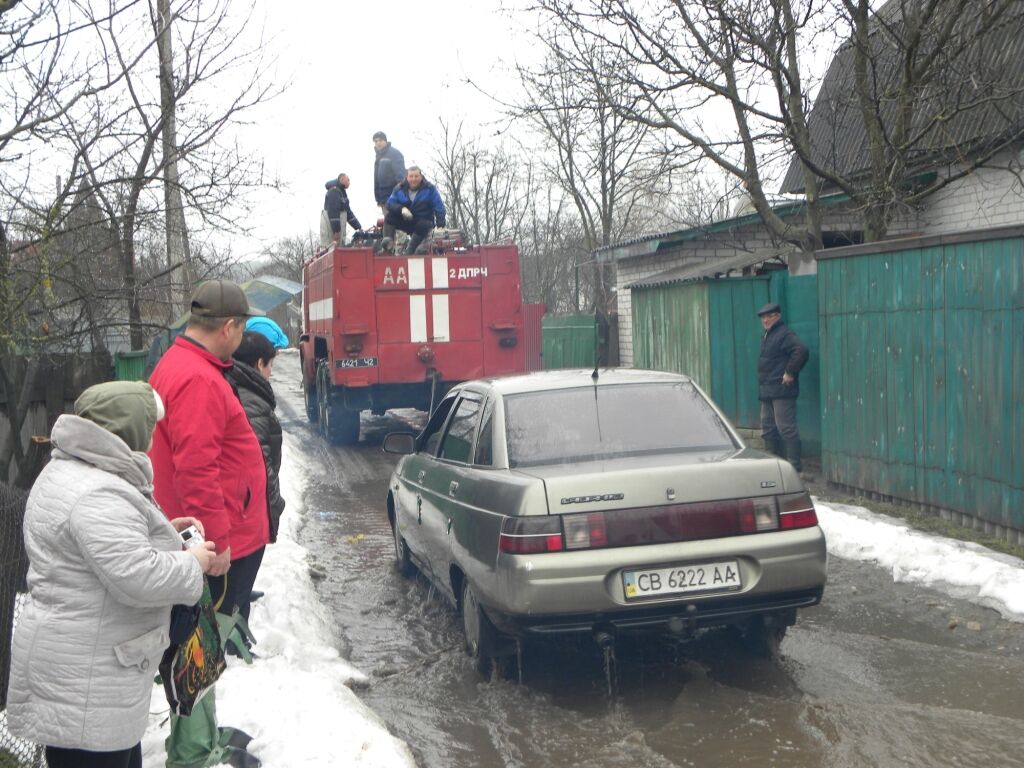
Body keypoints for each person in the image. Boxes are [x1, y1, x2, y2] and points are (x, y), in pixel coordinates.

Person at [6, 381, 215, 768]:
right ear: (128, 430)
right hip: (88, 681)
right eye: (149, 427)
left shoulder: (75, 470)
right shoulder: (97, 491)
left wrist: (163, 533)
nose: (154, 437)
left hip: (86, 669)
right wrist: (192, 562)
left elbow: (101, 554)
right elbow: (136, 576)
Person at [149, 279, 269, 768]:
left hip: (201, 536)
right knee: (197, 648)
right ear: (230, 327)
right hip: (211, 543)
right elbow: (198, 469)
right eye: (242, 329)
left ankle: (199, 740)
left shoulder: (184, 364)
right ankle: (194, 754)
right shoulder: (198, 379)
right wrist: (215, 545)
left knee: (202, 644)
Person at [227, 331, 285, 549]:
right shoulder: (251, 402)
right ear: (260, 363)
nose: (271, 372)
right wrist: (274, 511)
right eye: (270, 365)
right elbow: (261, 462)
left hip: (240, 510)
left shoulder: (235, 387)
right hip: (245, 516)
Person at [757, 302, 810, 476]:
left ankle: (795, 468)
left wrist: (790, 372)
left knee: (785, 428)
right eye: (763, 317)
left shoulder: (784, 333)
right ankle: (774, 466)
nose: (765, 320)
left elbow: (801, 351)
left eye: (768, 316)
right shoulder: (768, 334)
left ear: (777, 316)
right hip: (767, 390)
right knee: (768, 428)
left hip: (781, 390)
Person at [384, 166, 447, 255]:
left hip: (423, 222)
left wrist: (441, 225)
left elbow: (439, 206)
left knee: (424, 224)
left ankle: (410, 251)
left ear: (421, 177)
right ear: (407, 177)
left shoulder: (430, 189)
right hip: (407, 220)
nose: (414, 179)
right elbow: (389, 204)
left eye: (416, 176)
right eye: (411, 176)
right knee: (389, 218)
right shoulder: (399, 189)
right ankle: (387, 248)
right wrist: (401, 209)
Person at [373, 131, 405, 245]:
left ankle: (402, 252)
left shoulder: (394, 154)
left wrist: (399, 196)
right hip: (384, 200)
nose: (378, 143)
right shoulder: (378, 157)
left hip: (394, 198)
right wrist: (378, 198)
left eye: (380, 140)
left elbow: (401, 177)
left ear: (385, 141)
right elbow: (377, 179)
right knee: (389, 225)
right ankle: (390, 251)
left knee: (400, 226)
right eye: (376, 141)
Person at [321, 173, 362, 246]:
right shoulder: (334, 191)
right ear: (342, 179)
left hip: (337, 228)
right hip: (331, 229)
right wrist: (336, 231)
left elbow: (348, 212)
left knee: (339, 247)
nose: (349, 182)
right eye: (348, 180)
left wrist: (358, 227)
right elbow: (333, 212)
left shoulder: (342, 192)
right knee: (331, 247)